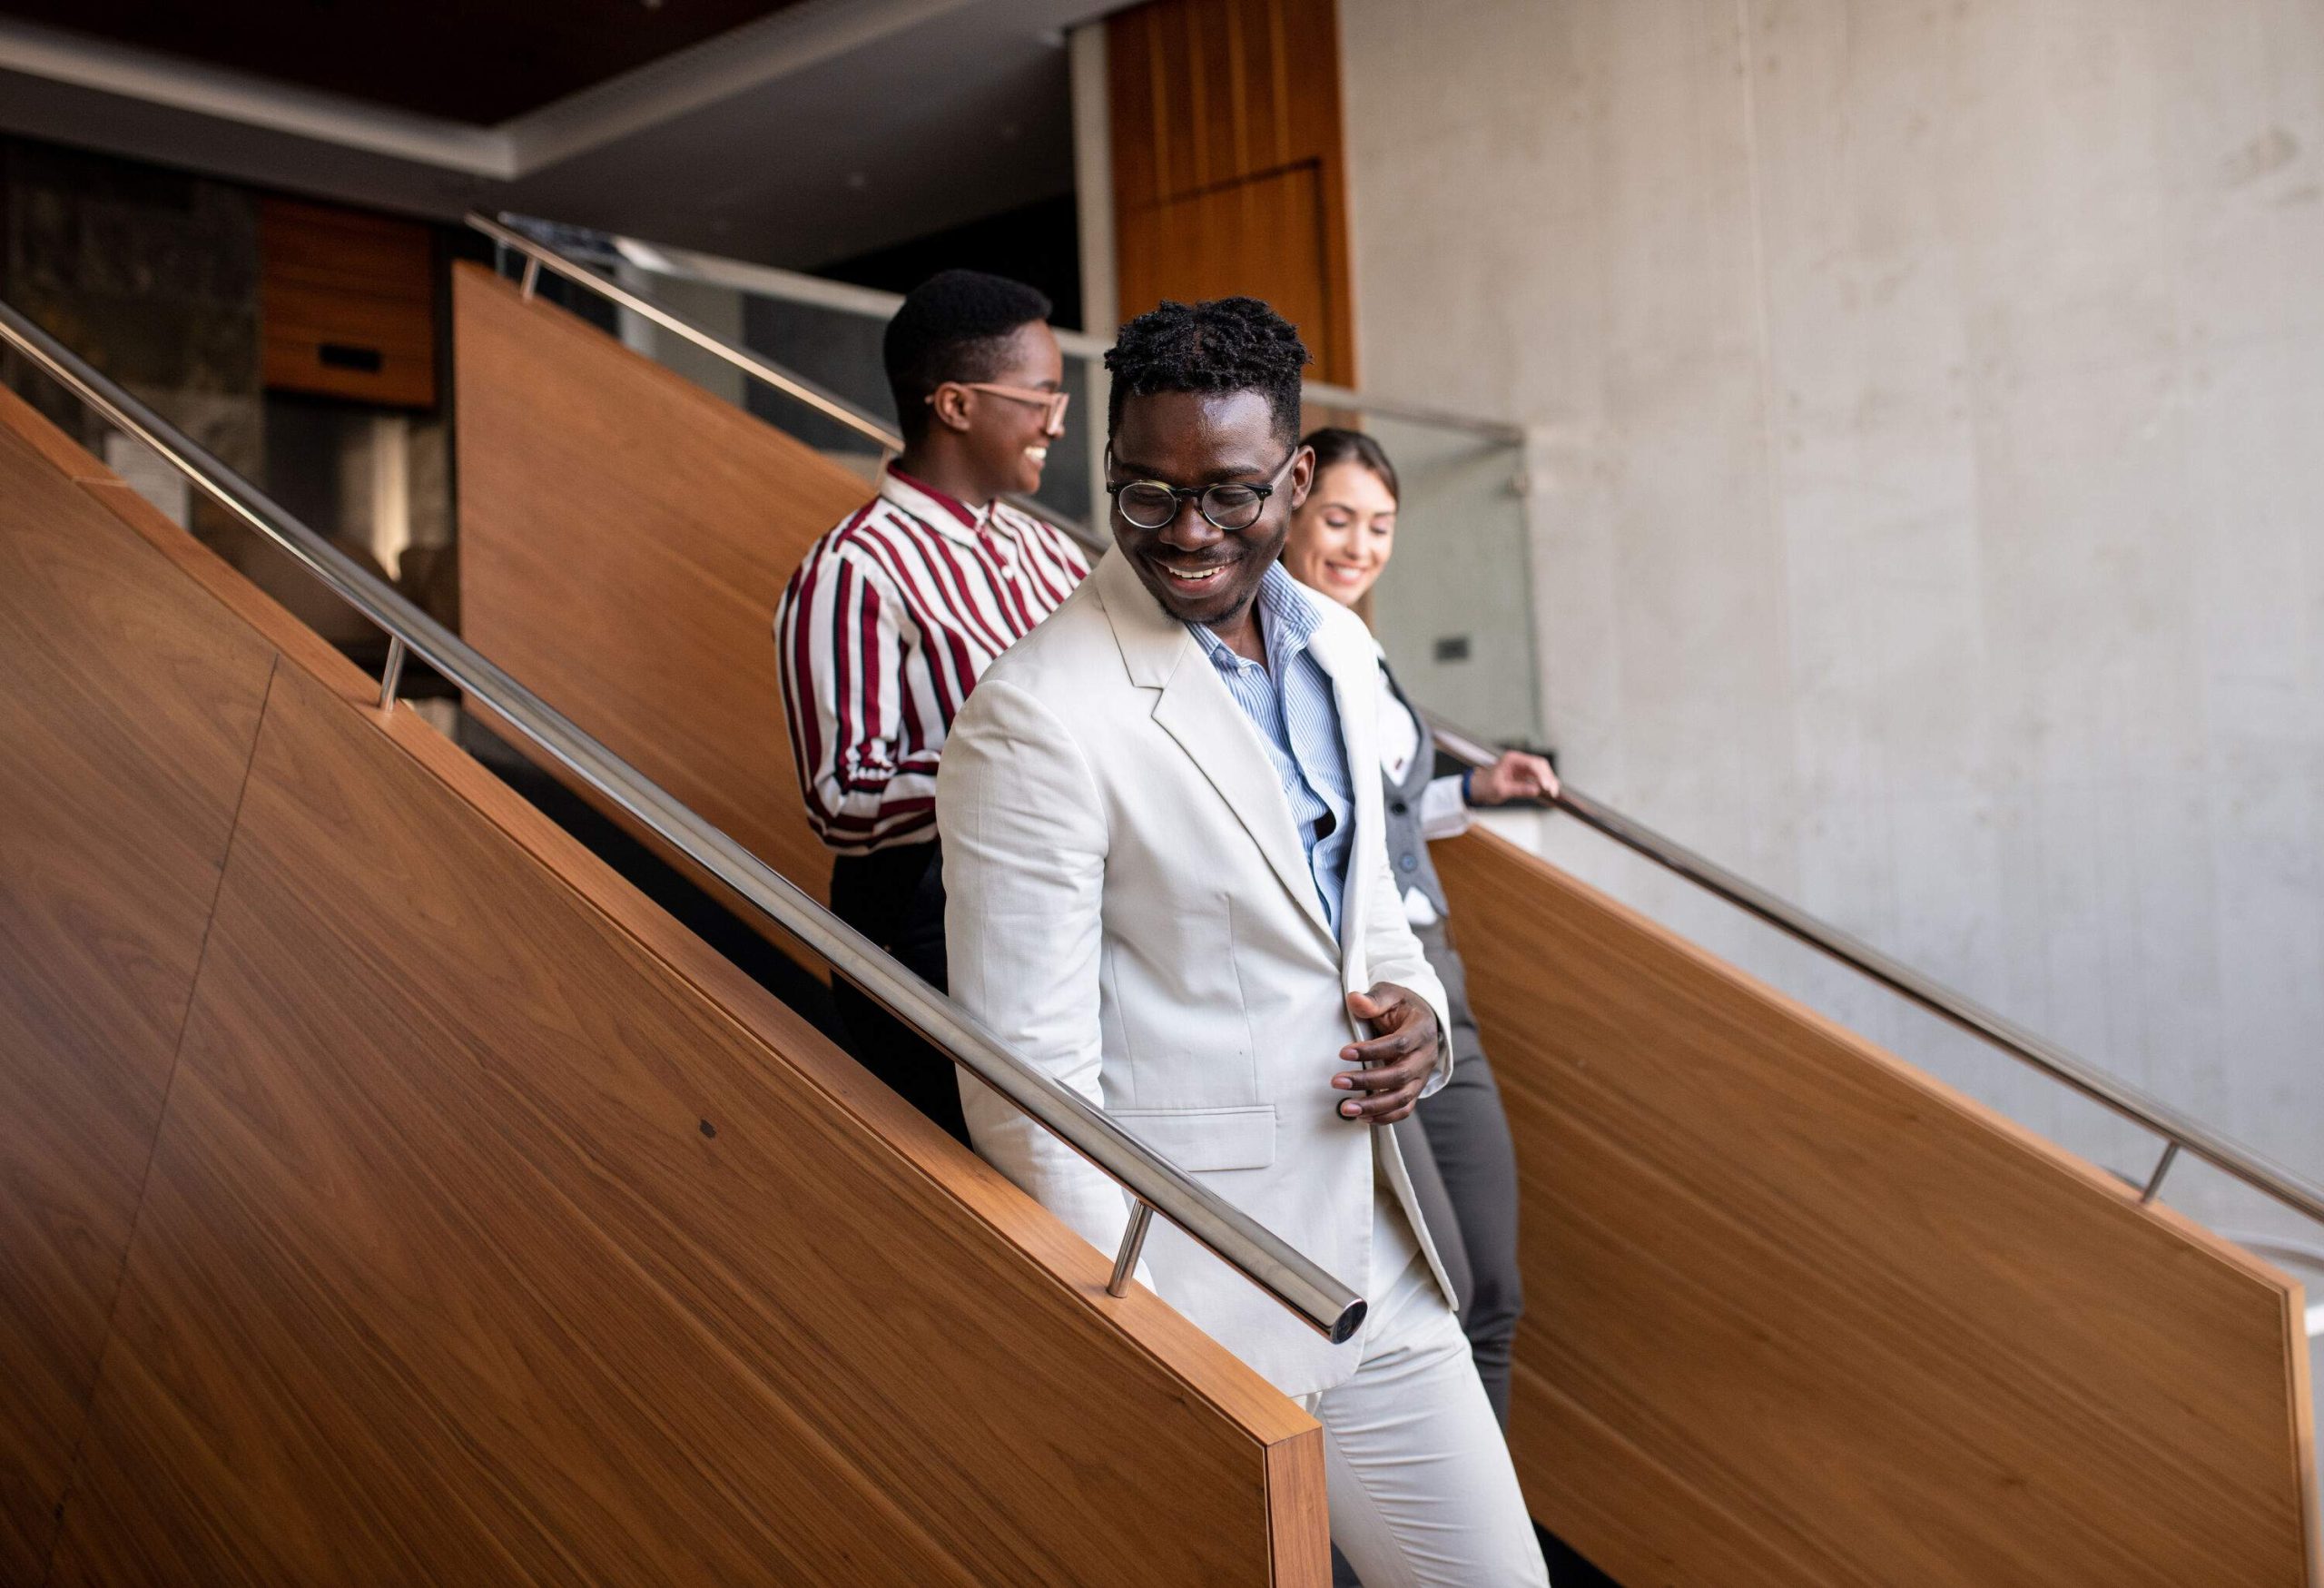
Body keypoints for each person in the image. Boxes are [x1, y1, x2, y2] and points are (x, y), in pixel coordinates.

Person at [937, 297, 1551, 1586]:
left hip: (1385, 1264)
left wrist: (1421, 1025)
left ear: (1298, 477)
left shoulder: (1329, 640)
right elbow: (1027, 1086)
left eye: (1229, 494)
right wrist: (1140, 1341)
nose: (1191, 534)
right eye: (1149, 495)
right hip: (1203, 1291)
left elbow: (1368, 907)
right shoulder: (1038, 714)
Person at [774, 270, 1089, 1145]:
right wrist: (1007, 769)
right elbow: (841, 796)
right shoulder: (853, 569)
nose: (1057, 421)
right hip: (927, 935)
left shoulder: (1046, 550)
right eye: (1040, 396)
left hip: (1057, 915)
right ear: (954, 403)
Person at [1285, 427, 1556, 1429]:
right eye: (1339, 520)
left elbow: (1388, 800)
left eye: (1380, 526)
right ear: (1290, 514)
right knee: (1432, 1301)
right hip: (1360, 999)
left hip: (1436, 971)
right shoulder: (1272, 653)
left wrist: (1475, 781)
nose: (1360, 545)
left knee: (1494, 1290)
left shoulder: (1363, 645)